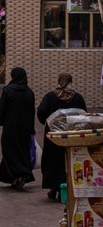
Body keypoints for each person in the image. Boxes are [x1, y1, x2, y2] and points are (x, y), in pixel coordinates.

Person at [37, 73, 87, 201]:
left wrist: (48, 123)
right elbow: (84, 115)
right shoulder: (77, 98)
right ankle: (68, 187)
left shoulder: (50, 96)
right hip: (72, 137)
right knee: (69, 160)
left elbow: (41, 111)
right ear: (71, 82)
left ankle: (53, 188)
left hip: (54, 137)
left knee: (53, 161)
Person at [0, 67, 35, 189]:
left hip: (10, 127)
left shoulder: (8, 91)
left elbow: (2, 108)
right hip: (25, 129)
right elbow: (32, 112)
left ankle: (20, 174)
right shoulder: (29, 93)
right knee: (22, 152)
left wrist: (0, 120)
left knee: (9, 151)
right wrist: (31, 129)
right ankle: (18, 176)